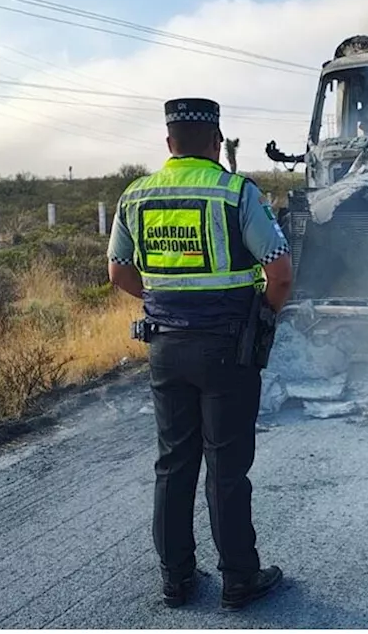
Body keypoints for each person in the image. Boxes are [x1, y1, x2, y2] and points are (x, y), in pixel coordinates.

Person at [107, 97, 295, 612]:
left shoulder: (135, 195)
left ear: (169, 145)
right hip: (228, 348)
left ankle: (176, 579)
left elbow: (119, 272)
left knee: (173, 462)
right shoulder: (235, 192)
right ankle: (239, 578)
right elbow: (279, 271)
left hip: (165, 345)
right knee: (227, 465)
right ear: (217, 143)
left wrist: (165, 302)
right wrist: (264, 317)